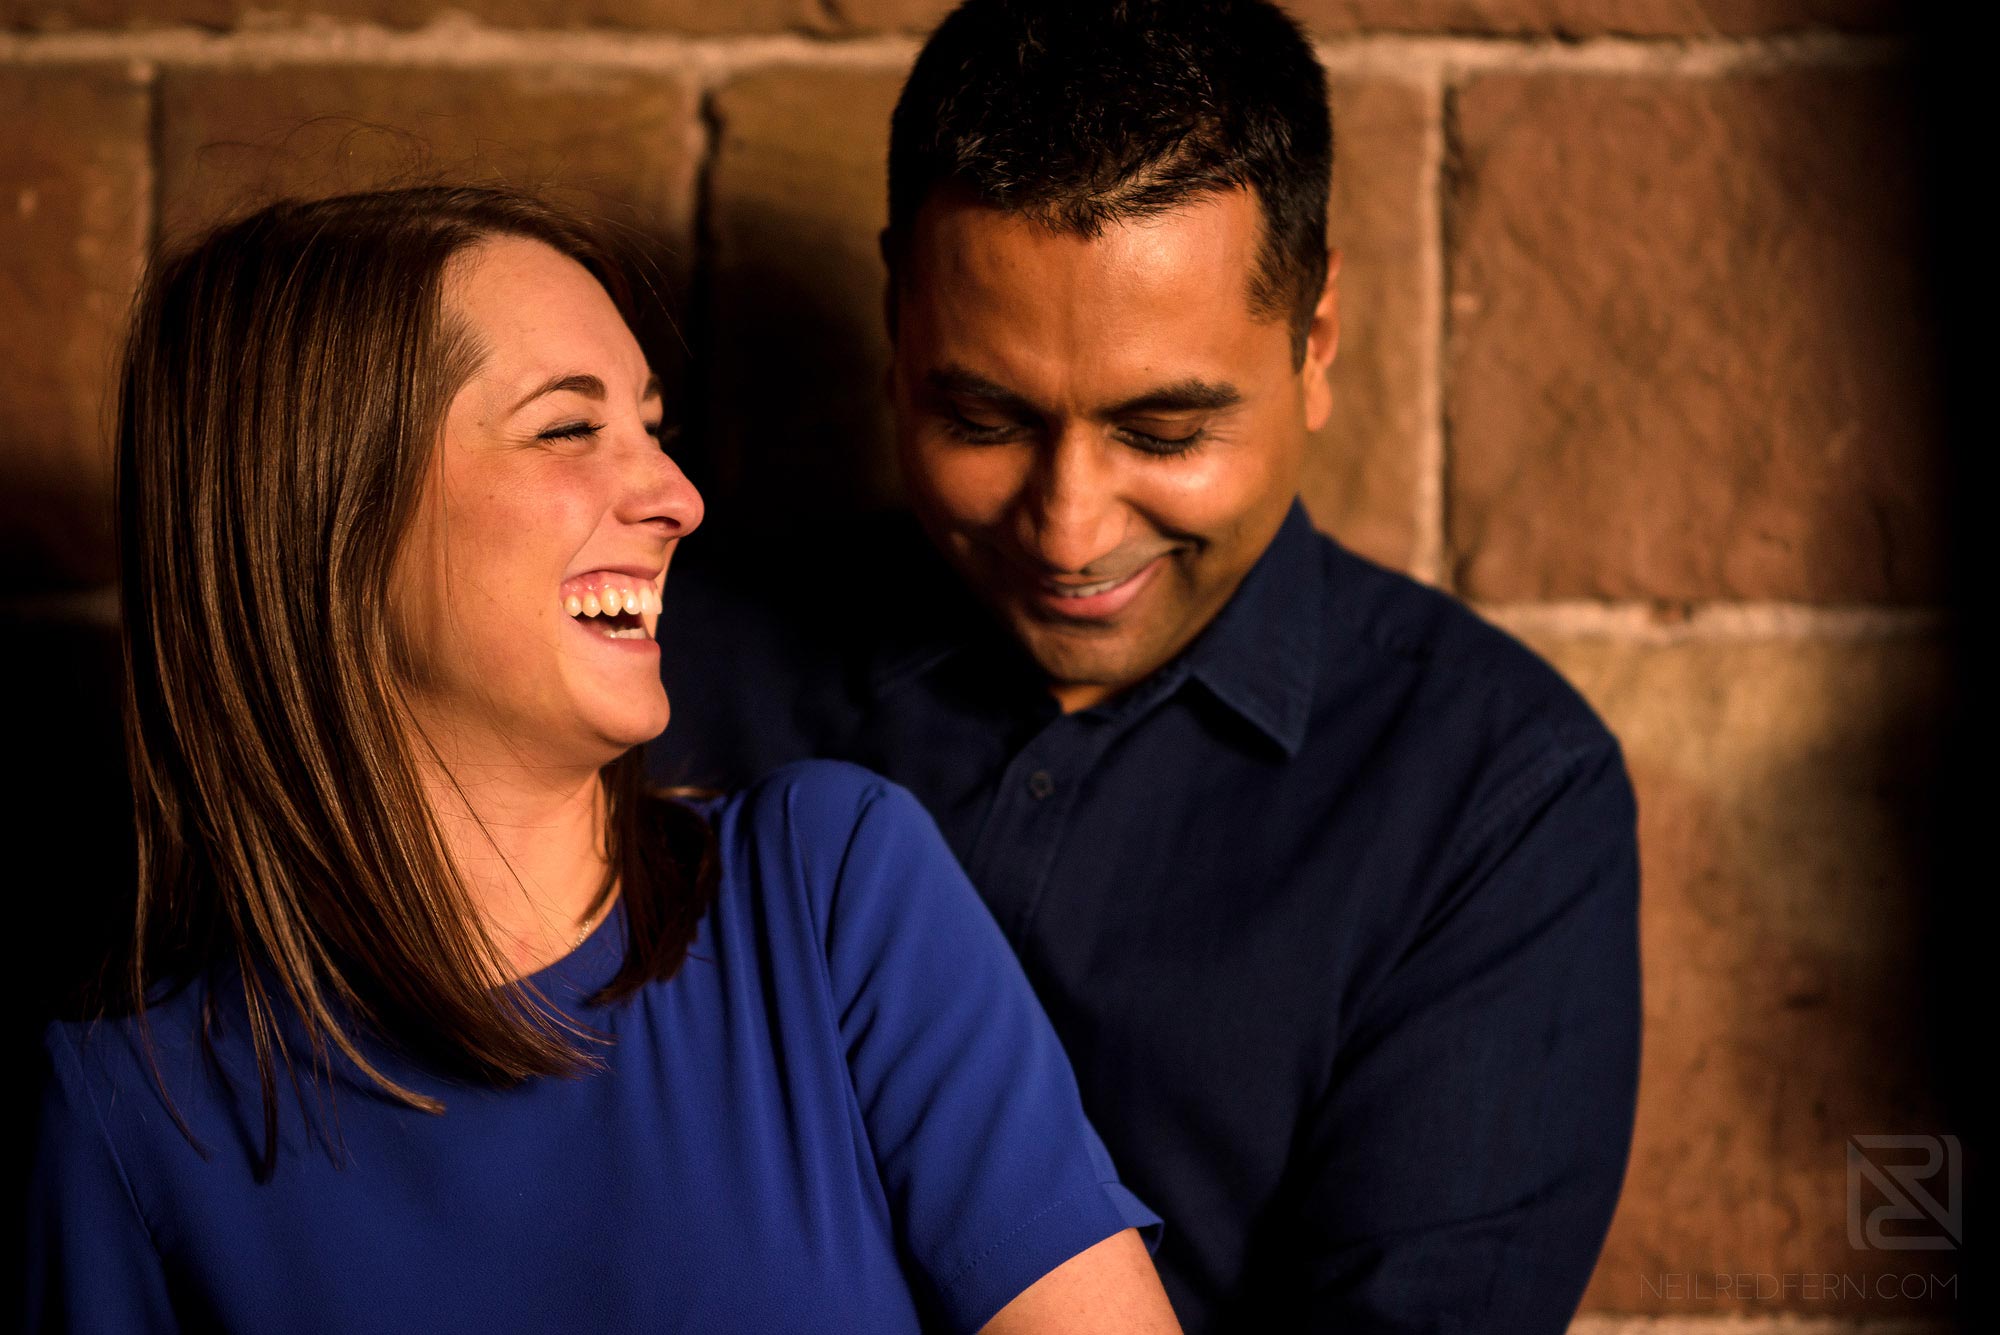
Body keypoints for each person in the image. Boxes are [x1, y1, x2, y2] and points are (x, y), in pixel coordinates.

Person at [25, 185, 1183, 1334]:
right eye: (569, 428)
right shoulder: (127, 1107)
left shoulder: (827, 890)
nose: (676, 498)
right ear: (325, 519)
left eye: (652, 428)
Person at [648, 1, 1643, 1330]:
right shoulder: (671, 667)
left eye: (1165, 430)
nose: (1068, 529)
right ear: (898, 321)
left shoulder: (1494, 793)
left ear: (1317, 337)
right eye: (982, 418)